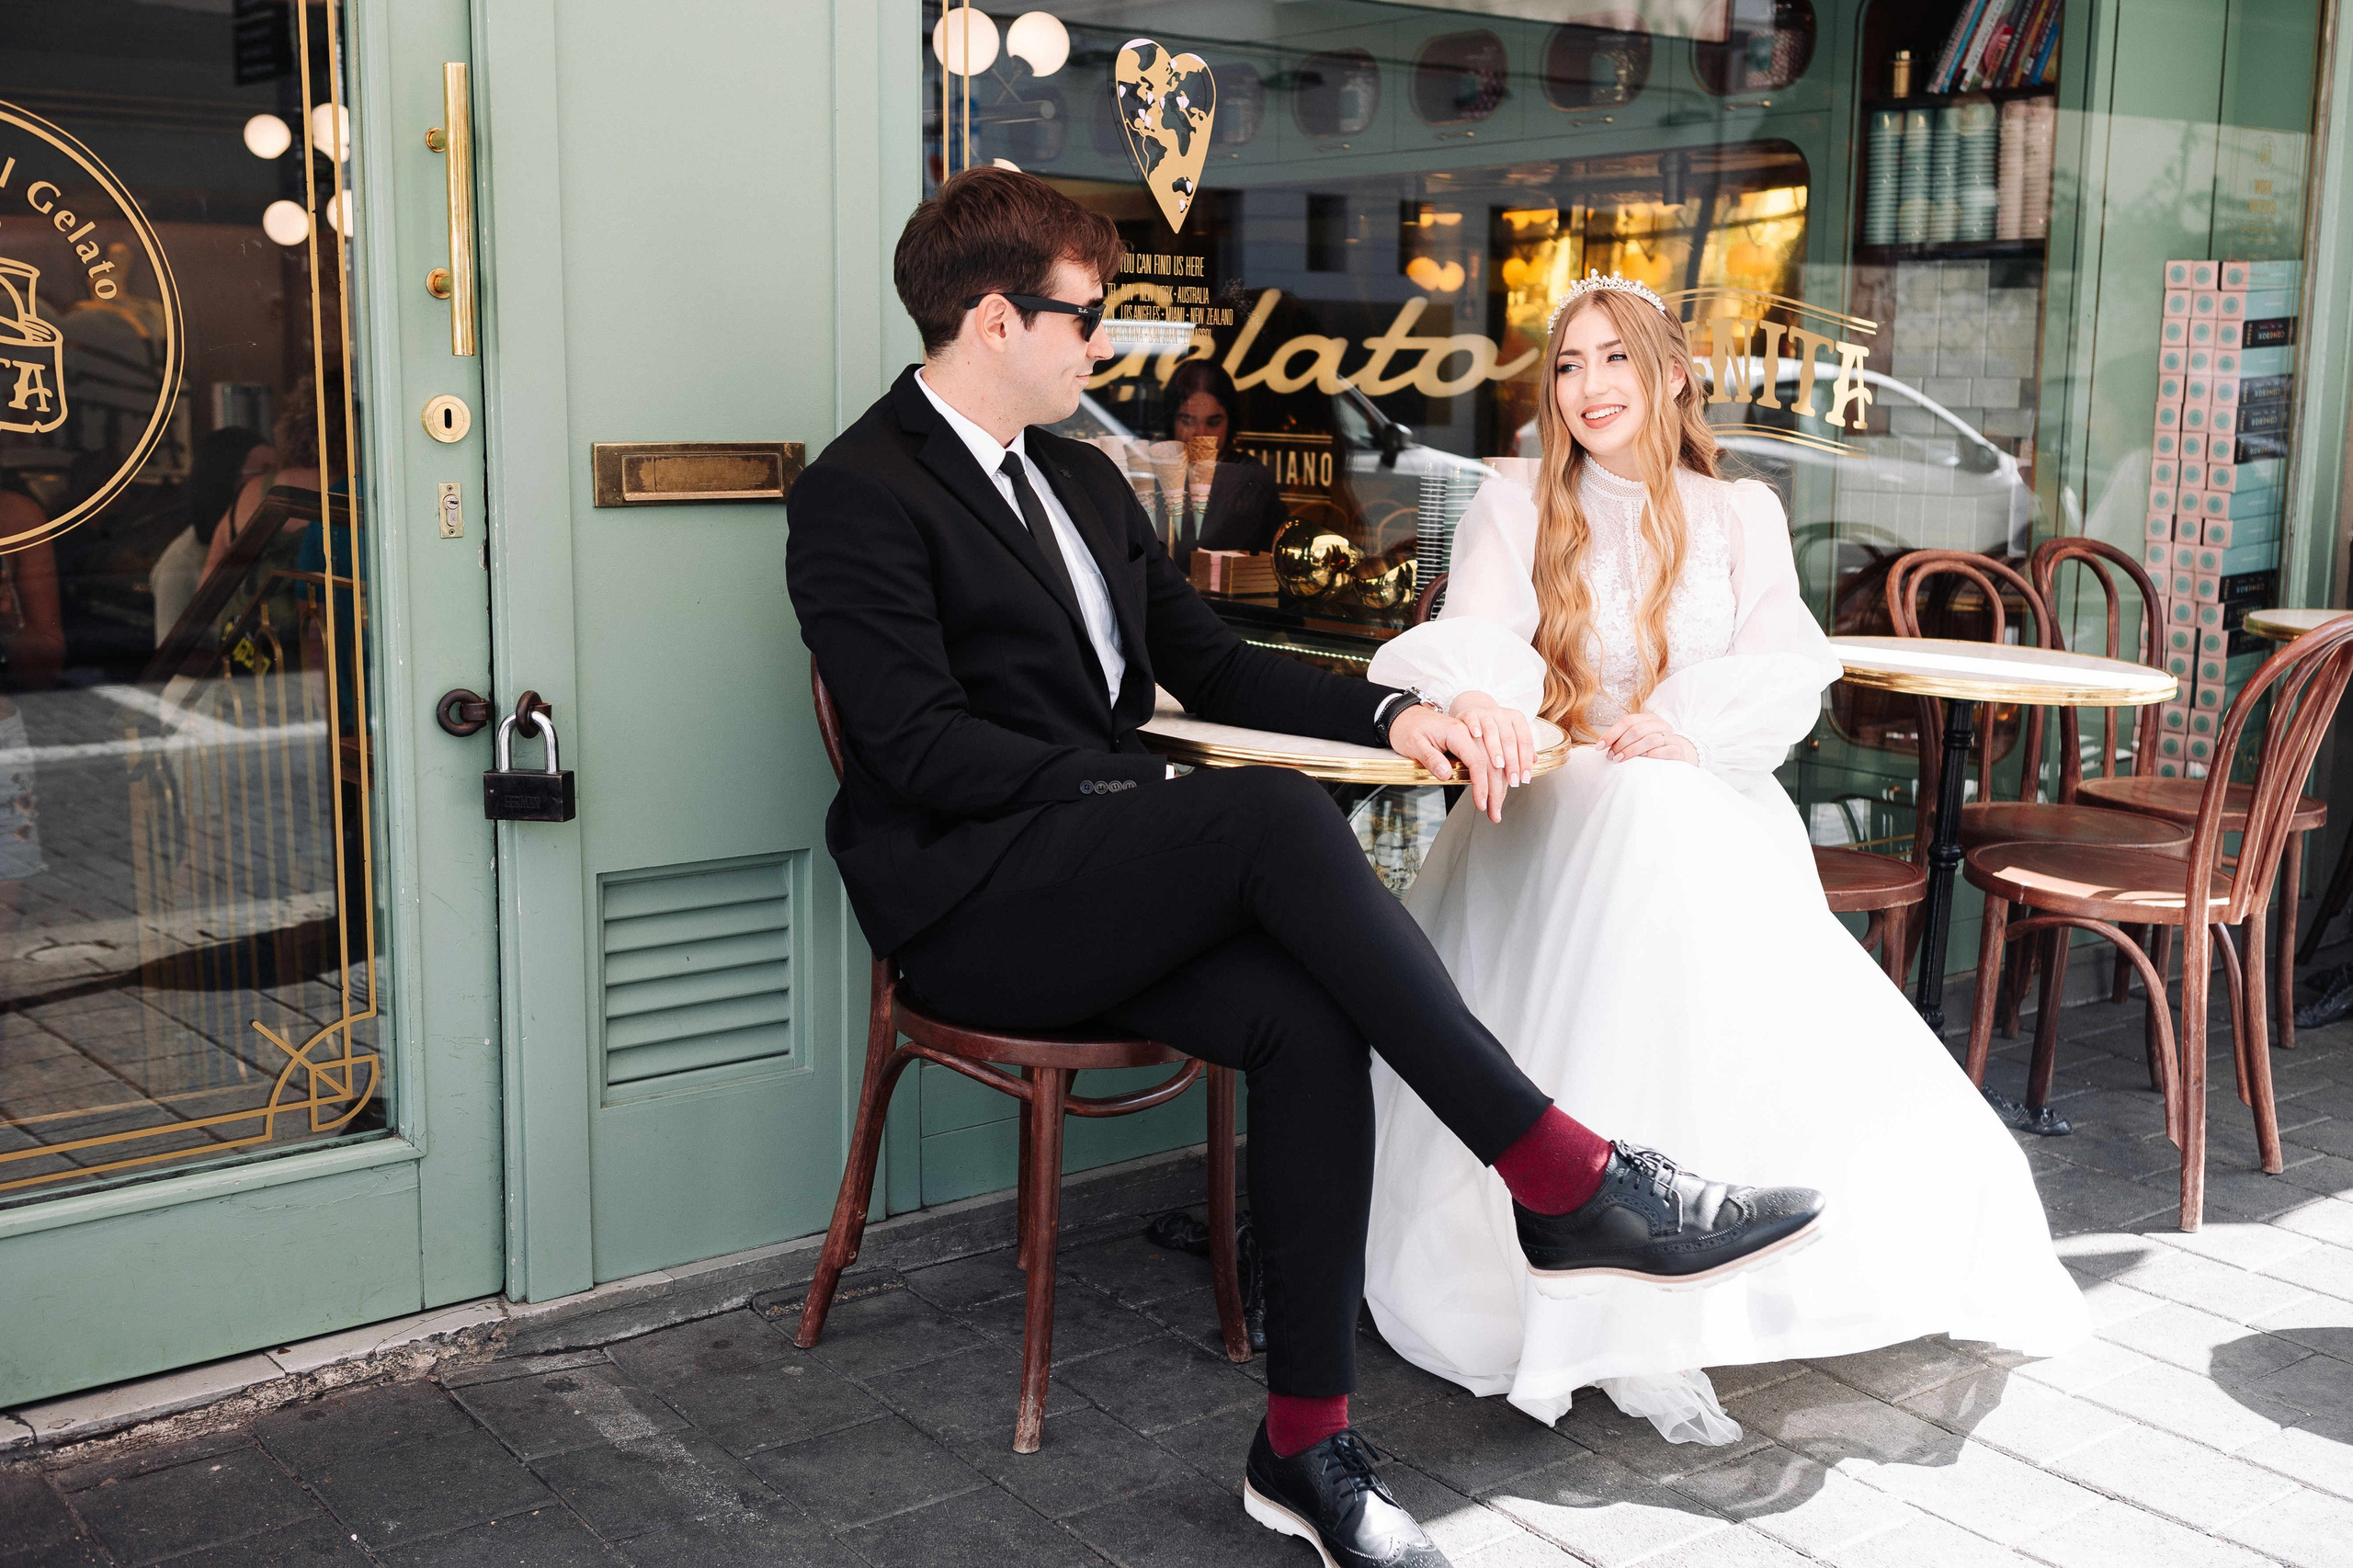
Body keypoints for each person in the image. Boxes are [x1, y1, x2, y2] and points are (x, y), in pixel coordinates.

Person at [786, 170, 1828, 1566]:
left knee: (1310, 1014)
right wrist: (1158, 782)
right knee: (1265, 815)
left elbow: (1209, 661)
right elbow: (920, 752)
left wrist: (1404, 711)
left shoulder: (1085, 476)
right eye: (1086, 317)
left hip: (1103, 872)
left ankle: (1304, 1444)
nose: (1103, 345)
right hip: (977, 904)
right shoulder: (860, 491)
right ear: (992, 318)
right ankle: (1566, 1177)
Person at [1362, 274, 2088, 1447]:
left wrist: (1690, 733)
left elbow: (1782, 668)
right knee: (1637, 800)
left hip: (1699, 796)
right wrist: (1492, 709)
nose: (1589, 387)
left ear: (1672, 377)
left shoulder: (1739, 511)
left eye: (1615, 360)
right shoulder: (1513, 502)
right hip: (1558, 802)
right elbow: (1479, 645)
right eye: (1567, 364)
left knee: (1662, 804)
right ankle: (1598, 1224)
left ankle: (1684, 1232)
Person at [150, 426, 272, 643]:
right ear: (227, 481)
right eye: (264, 473)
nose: (274, 482)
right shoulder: (180, 564)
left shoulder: (262, 541)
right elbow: (172, 660)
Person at [1163, 358, 1286, 561]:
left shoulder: (1249, 478)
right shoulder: (1155, 468)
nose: (1200, 434)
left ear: (1231, 423)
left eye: (1213, 422)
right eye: (1187, 421)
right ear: (1171, 420)